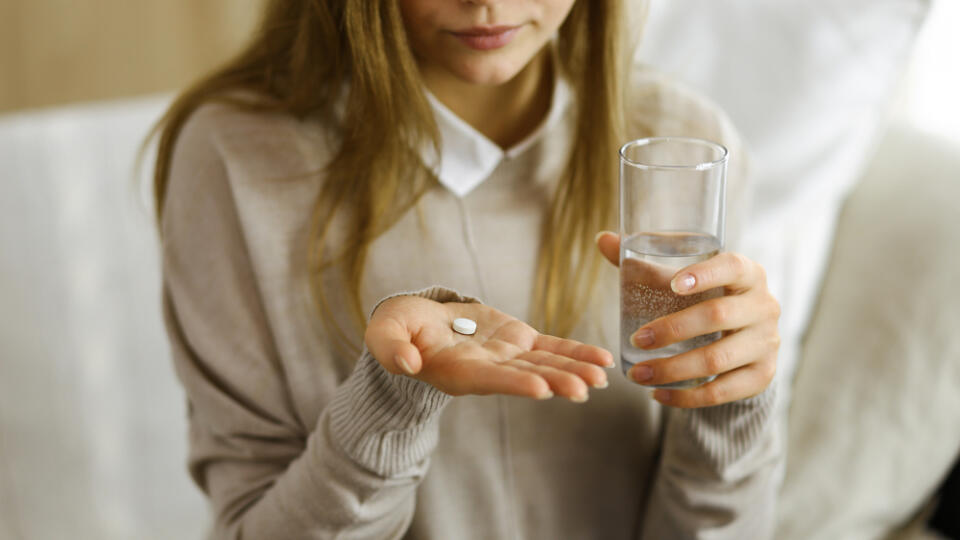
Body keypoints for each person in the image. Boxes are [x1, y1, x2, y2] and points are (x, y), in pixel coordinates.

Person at [152, 0, 782, 538]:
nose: (486, 0)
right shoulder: (235, 160)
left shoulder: (680, 146)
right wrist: (389, 402)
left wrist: (729, 405)